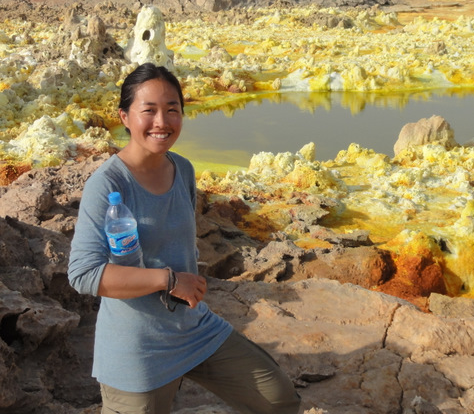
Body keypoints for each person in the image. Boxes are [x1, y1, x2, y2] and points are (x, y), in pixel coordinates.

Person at [68, 63, 301, 414]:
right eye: (149, 111)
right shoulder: (108, 184)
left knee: (278, 399)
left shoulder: (183, 170)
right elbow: (83, 274)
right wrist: (170, 280)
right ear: (125, 117)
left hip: (192, 328)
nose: (162, 122)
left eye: (172, 110)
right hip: (138, 345)